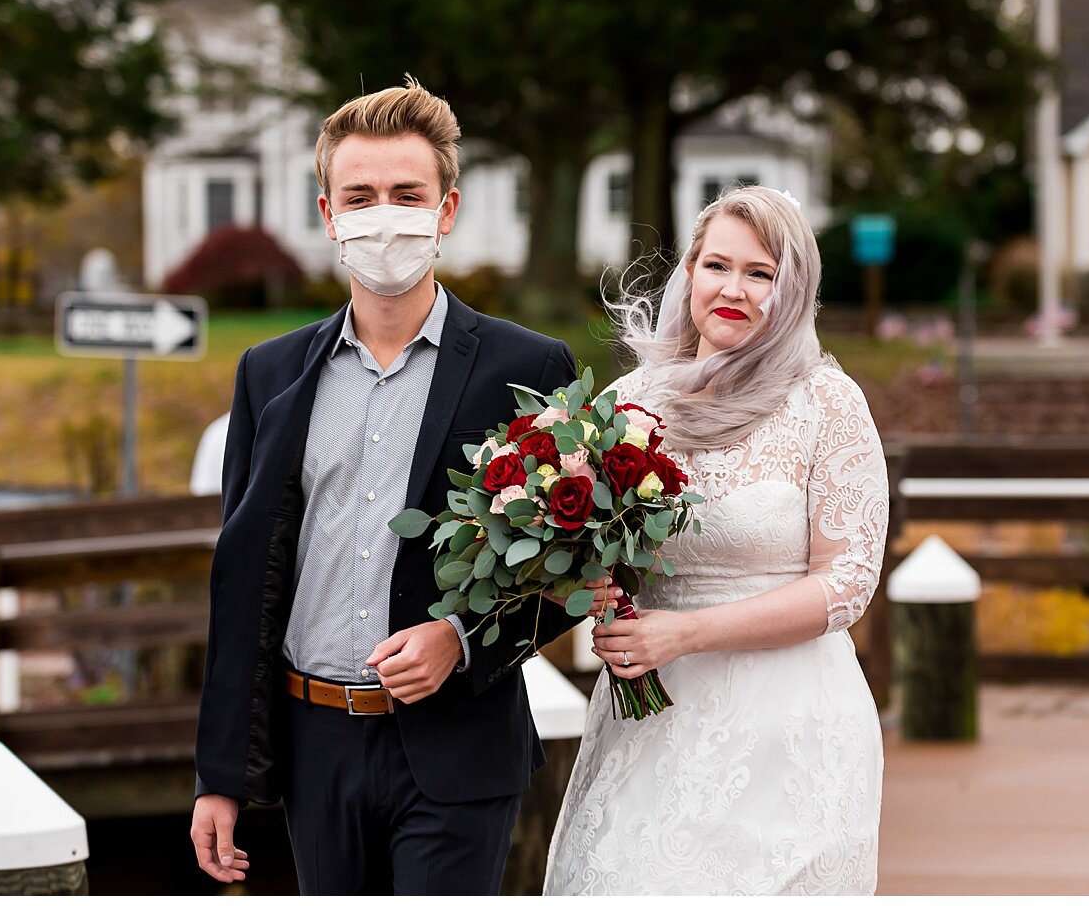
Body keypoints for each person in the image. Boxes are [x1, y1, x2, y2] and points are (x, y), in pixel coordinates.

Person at [190, 76, 611, 895]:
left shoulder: (528, 370)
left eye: (407, 194)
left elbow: (575, 569)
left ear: (446, 210)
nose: (385, 214)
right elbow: (243, 586)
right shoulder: (267, 375)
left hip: (456, 747)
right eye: (362, 195)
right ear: (330, 215)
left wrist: (457, 637)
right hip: (315, 747)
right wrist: (219, 773)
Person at [544, 185, 889, 895]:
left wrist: (687, 634)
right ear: (689, 273)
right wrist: (581, 583)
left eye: (761, 274)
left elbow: (848, 581)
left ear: (793, 291)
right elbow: (584, 557)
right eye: (717, 266)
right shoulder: (628, 405)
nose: (734, 289)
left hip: (789, 728)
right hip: (651, 718)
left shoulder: (827, 404)